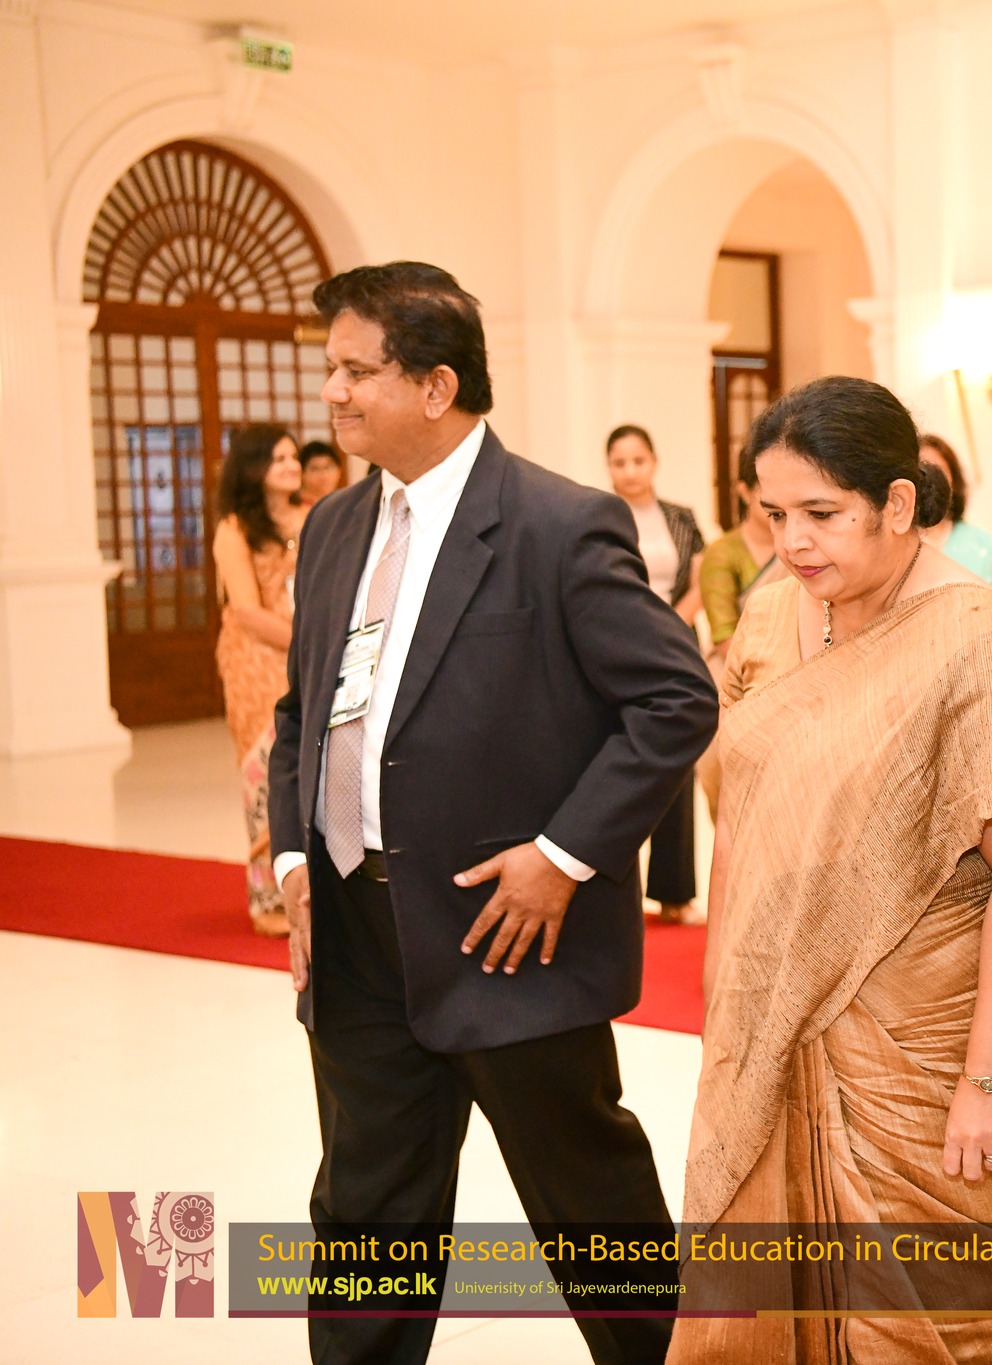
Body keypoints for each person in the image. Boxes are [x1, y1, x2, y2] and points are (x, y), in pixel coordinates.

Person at [270, 262, 716, 1365]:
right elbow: (301, 708)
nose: (332, 391)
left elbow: (674, 699)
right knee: (366, 1213)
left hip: (505, 932)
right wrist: (292, 861)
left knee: (593, 1213)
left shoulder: (559, 525)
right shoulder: (333, 527)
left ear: (436, 386)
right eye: (330, 368)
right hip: (357, 932)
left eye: (355, 370)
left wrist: (562, 856)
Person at [672, 377, 992, 1364]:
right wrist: (731, 996)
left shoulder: (979, 640)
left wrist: (990, 1077)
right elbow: (745, 813)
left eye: (821, 513)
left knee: (948, 1325)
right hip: (771, 1019)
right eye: (775, 516)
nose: (794, 542)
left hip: (920, 1047)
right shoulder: (770, 619)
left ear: (897, 503)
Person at [605, 423, 709, 925]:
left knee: (677, 760)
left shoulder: (681, 517)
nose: (630, 471)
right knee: (615, 760)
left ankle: (674, 894)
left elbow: (701, 581)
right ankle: (611, 898)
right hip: (617, 644)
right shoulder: (597, 514)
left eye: (638, 460)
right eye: (619, 462)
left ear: (654, 462)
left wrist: (672, 625)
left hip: (675, 642)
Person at [213, 423, 305, 937]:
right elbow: (246, 610)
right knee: (266, 770)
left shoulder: (312, 515)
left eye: (293, 456)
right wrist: (307, 642)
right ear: (253, 468)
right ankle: (267, 897)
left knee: (310, 770)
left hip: (307, 653)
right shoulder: (235, 528)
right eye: (278, 459)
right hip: (256, 658)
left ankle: (312, 892)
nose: (291, 466)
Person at [698, 472, 779, 667]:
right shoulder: (722, 553)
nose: (779, 501)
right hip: (739, 668)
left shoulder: (801, 546)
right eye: (769, 490)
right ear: (744, 492)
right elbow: (725, 637)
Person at [918, 432, 992, 589]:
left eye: (939, 472)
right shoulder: (898, 552)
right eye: (922, 473)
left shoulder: (983, 546)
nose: (930, 482)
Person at [297, 439, 346, 504]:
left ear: (339, 470)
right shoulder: (295, 506)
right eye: (315, 469)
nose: (323, 475)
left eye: (328, 467)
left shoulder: (345, 502)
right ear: (301, 473)